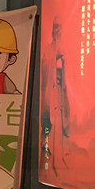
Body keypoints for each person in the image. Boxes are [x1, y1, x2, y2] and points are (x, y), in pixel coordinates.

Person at [39, 17, 70, 172]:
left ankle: (60, 159)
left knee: (60, 128)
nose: (57, 30)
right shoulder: (48, 49)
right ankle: (48, 162)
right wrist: (54, 58)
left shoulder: (65, 48)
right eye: (55, 26)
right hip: (50, 94)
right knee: (49, 126)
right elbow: (44, 67)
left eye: (59, 27)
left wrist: (64, 60)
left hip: (60, 93)